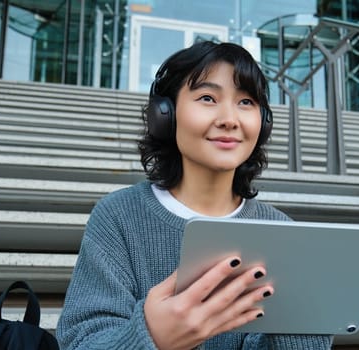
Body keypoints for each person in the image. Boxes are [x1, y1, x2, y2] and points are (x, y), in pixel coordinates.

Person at [56, 41, 334, 349]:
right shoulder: (118, 216)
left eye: (246, 102)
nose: (230, 119)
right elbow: (81, 342)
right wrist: (151, 337)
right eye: (207, 97)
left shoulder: (283, 231)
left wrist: (308, 317)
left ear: (263, 122)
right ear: (165, 114)